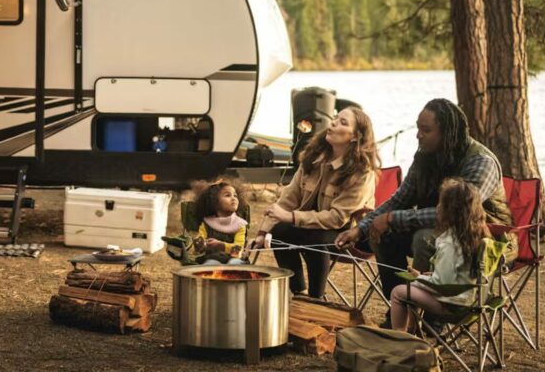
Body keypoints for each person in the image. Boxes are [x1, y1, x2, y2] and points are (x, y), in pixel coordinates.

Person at [335, 98, 515, 312]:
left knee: (425, 239)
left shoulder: (480, 162)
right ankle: (401, 306)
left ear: (447, 133)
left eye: (426, 130)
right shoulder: (424, 157)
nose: (418, 135)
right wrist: (362, 227)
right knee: (381, 233)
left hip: (485, 238)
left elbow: (455, 214)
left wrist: (393, 218)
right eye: (419, 128)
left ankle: (432, 318)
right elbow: (399, 199)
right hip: (442, 231)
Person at [254, 106, 379, 297]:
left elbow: (337, 218)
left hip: (350, 235)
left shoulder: (362, 172)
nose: (333, 123)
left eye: (343, 122)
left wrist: (291, 217)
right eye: (335, 118)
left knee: (315, 238)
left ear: (355, 137)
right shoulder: (312, 159)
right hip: (312, 229)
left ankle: (316, 299)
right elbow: (288, 199)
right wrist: (263, 232)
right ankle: (299, 292)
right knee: (279, 232)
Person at [390, 179, 489, 331]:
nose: (437, 207)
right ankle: (411, 331)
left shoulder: (450, 243)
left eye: (441, 204)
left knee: (398, 292)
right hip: (473, 300)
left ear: (450, 211)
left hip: (452, 306)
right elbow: (453, 276)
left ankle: (398, 338)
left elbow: (439, 286)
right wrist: (427, 277)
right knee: (414, 287)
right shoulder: (476, 237)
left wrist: (419, 278)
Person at [193, 181, 249, 265]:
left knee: (233, 264)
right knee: (210, 265)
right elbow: (199, 248)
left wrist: (221, 245)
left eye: (235, 195)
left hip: (235, 259)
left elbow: (238, 250)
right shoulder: (207, 223)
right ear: (215, 202)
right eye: (227, 195)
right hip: (212, 259)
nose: (233, 198)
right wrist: (200, 245)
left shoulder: (239, 225)